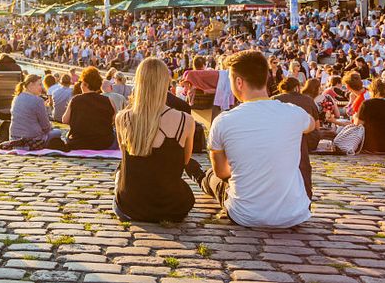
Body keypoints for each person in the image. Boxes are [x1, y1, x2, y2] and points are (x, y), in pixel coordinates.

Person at [184, 50, 315, 229]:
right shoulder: (293, 112)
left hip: (245, 214)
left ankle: (199, 175)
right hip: (292, 214)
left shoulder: (224, 121)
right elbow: (311, 124)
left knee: (213, 178)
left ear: (239, 82)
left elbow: (223, 172)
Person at [113, 57, 195, 222]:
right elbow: (185, 161)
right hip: (172, 205)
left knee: (119, 176)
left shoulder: (123, 118)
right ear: (166, 83)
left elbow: (125, 159)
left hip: (131, 205)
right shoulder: (185, 120)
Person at [272, 77, 320, 200]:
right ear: (297, 87)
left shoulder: (275, 100)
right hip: (306, 138)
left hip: (281, 138)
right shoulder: (308, 100)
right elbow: (317, 125)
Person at [62, 67, 116, 150]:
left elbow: (65, 120)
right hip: (104, 142)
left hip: (78, 142)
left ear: (85, 84)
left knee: (67, 135)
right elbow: (114, 120)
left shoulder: (75, 100)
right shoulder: (108, 100)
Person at [9, 74, 62, 146]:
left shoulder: (16, 98)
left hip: (14, 137)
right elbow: (46, 127)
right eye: (40, 84)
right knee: (57, 132)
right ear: (31, 84)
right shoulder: (38, 100)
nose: (42, 87)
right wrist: (50, 126)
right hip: (32, 138)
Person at [355, 78, 385, 154]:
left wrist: (356, 117)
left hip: (374, 147)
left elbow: (358, 126)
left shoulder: (367, 104)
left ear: (373, 91)